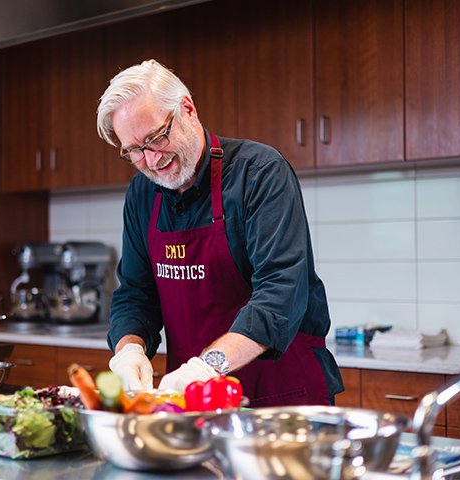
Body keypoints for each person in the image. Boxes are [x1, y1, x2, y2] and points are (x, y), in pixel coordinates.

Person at [96, 59, 343, 407]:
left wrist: (208, 366)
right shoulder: (142, 194)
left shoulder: (259, 174)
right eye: (134, 151)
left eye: (156, 138)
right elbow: (136, 293)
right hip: (191, 401)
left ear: (187, 110)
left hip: (282, 399)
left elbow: (280, 292)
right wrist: (129, 350)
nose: (151, 160)